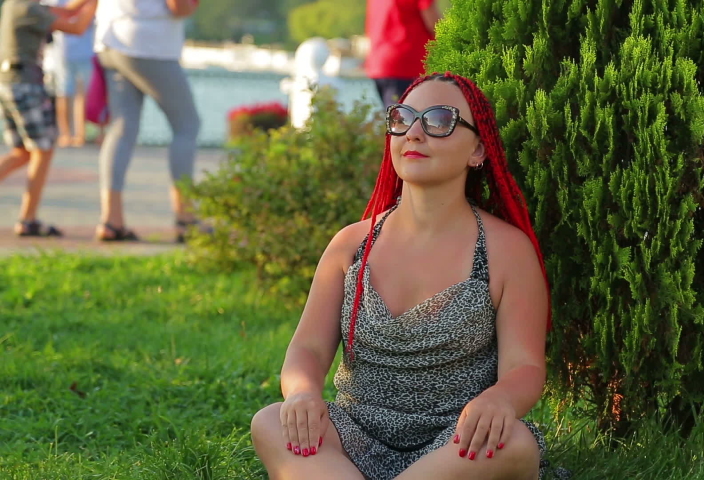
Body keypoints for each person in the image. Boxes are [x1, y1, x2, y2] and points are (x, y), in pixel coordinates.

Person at [251, 72, 554, 480]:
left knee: (515, 444)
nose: (414, 132)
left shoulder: (506, 251)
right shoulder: (351, 245)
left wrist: (500, 400)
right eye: (403, 118)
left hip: (457, 444)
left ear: (478, 149)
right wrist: (304, 392)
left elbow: (525, 367)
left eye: (440, 120)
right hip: (352, 437)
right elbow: (308, 348)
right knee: (271, 421)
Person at [91, 0, 201, 242]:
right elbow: (178, 7)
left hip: (109, 40)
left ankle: (111, 220)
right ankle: (186, 217)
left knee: (121, 128)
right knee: (187, 124)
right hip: (148, 44)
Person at [0, 0, 96, 237]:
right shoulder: (29, 8)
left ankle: (28, 217)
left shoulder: (16, 4)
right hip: (25, 84)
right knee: (43, 149)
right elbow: (76, 27)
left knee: (22, 152)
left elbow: (69, 11)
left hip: (9, 82)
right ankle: (28, 219)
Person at [364, 0, 441, 108]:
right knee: (409, 120)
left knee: (397, 118)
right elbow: (435, 25)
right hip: (406, 64)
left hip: (379, 63)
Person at [44, 0, 94, 148]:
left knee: (82, 95)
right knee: (64, 93)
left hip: (86, 52)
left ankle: (80, 134)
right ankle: (65, 134)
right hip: (63, 54)